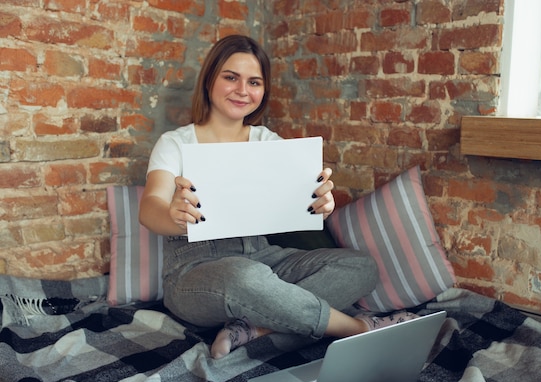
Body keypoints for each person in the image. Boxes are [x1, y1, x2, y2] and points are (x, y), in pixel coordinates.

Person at [139, 34, 417, 359]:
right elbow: (150, 208)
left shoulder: (267, 141)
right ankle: (359, 329)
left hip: (264, 258)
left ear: (263, 91)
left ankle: (256, 328)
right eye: (231, 77)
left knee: (361, 266)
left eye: (254, 82)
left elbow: (295, 203)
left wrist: (320, 205)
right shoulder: (175, 143)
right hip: (195, 271)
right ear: (209, 80)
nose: (243, 90)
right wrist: (174, 216)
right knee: (246, 276)